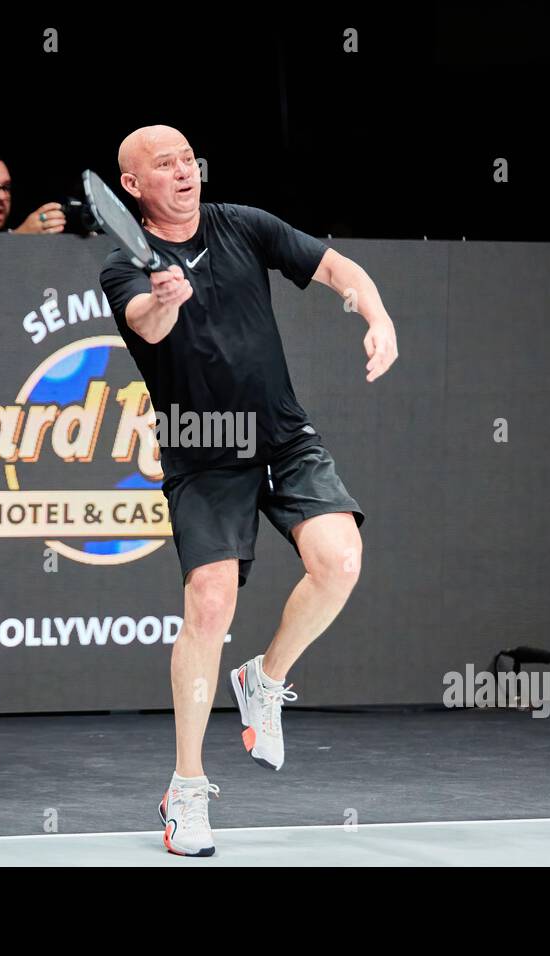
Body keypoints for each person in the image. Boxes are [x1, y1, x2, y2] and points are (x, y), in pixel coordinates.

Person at [98, 125, 399, 857]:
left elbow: (337, 269)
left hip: (282, 435)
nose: (184, 171)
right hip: (203, 452)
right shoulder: (123, 266)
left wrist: (378, 315)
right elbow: (147, 325)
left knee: (340, 561)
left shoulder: (244, 225)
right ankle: (186, 789)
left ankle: (265, 678)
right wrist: (165, 298)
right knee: (209, 604)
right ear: (133, 186)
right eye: (164, 165)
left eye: (188, 159)